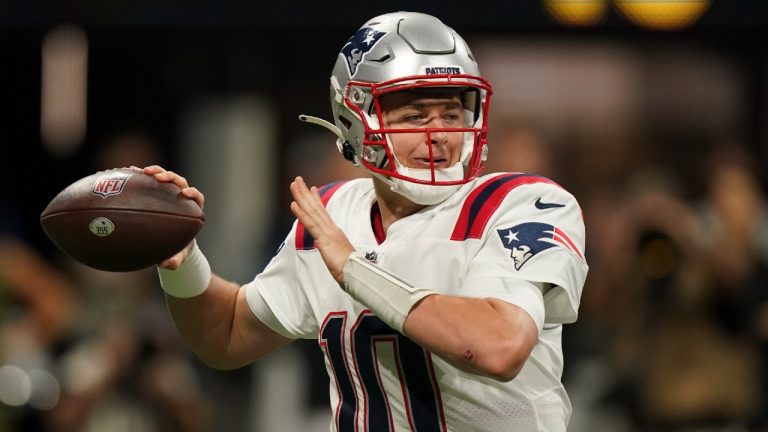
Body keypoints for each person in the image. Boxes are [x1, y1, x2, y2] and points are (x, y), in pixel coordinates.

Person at [144, 11, 588, 431]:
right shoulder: (337, 213)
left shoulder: (522, 204)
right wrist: (184, 264)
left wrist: (354, 268)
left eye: (452, 114)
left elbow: (499, 346)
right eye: (415, 116)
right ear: (356, 123)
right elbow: (227, 335)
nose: (440, 134)